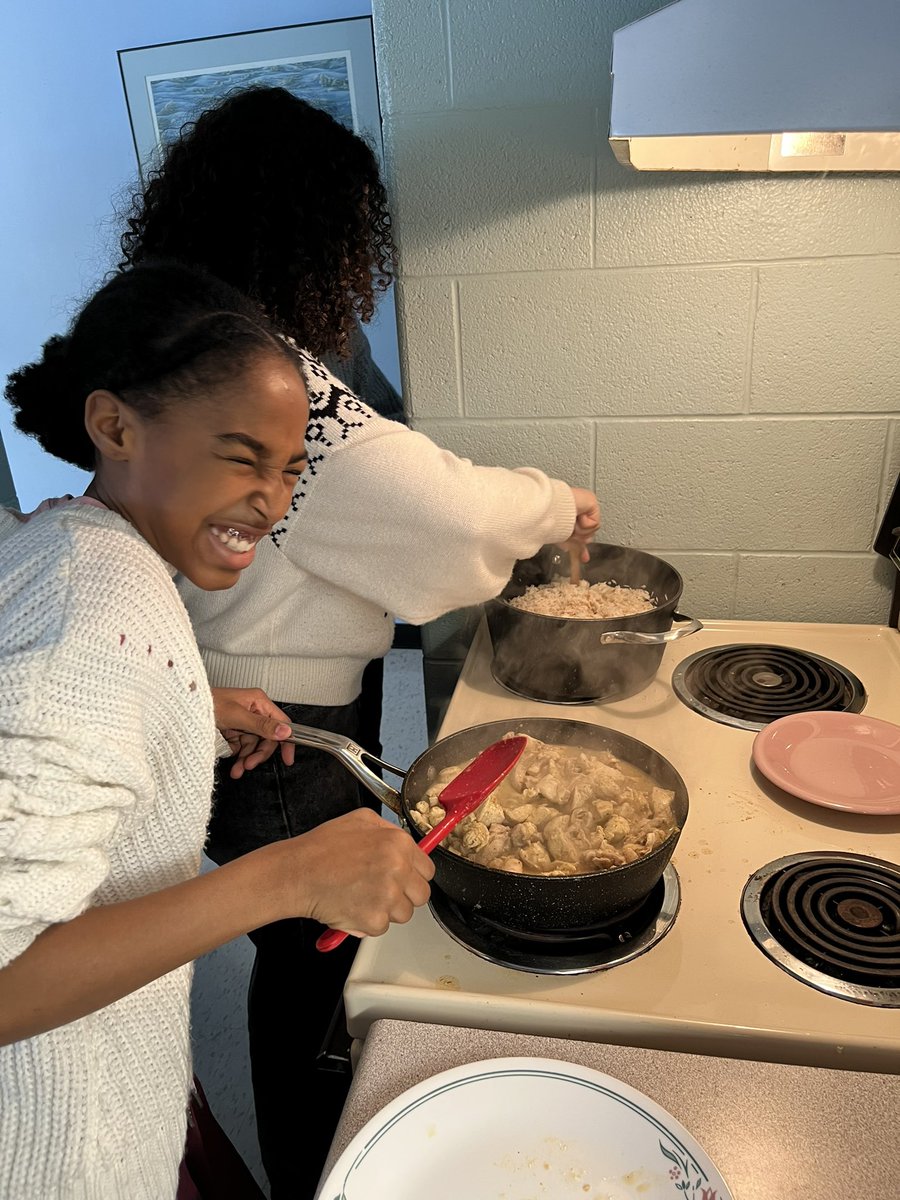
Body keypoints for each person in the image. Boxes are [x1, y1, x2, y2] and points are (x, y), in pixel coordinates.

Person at [118, 85, 601, 1198]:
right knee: (311, 969)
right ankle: (322, 1171)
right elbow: (445, 519)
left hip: (232, 702)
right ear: (320, 235)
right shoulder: (264, 381)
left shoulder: (190, 347)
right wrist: (554, 499)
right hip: (273, 732)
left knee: (298, 955)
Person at [0, 261, 434, 1200]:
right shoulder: (92, 619)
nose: (270, 501)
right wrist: (288, 876)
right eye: (242, 457)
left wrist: (184, 712)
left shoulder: (68, 549)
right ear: (114, 426)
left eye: (287, 470)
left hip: (117, 1067)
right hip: (58, 1144)